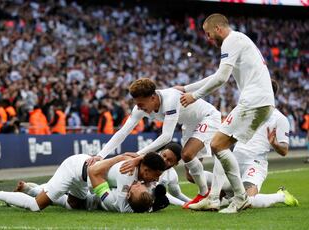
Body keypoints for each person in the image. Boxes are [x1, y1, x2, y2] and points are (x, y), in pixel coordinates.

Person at [179, 13, 275, 213]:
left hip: (254, 101)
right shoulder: (239, 40)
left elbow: (222, 78)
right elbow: (217, 75)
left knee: (216, 144)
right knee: (220, 145)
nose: (208, 39)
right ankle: (214, 198)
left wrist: (194, 96)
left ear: (218, 29)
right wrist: (186, 88)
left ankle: (239, 197)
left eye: (208, 34)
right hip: (261, 101)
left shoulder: (231, 41)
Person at [88, 78, 223, 207]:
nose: (139, 108)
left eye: (141, 104)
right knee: (190, 176)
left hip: (207, 117)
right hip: (189, 125)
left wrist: (138, 155)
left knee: (187, 154)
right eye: (136, 104)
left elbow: (166, 137)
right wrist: (101, 155)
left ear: (153, 98)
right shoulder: (139, 108)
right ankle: (225, 189)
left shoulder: (170, 100)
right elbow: (123, 132)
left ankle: (205, 195)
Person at [189, 80, 298, 211]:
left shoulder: (280, 119)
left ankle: (280, 196)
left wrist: (274, 143)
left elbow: (284, 150)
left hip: (254, 163)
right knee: (192, 174)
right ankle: (224, 198)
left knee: (249, 201)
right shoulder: (245, 112)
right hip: (234, 159)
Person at [0, 152, 165, 213]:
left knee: (74, 205)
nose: (154, 181)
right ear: (146, 170)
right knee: (35, 207)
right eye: (154, 176)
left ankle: (33, 189)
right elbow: (123, 206)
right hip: (75, 169)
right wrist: (120, 157)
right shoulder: (127, 173)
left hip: (84, 177)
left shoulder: (139, 170)